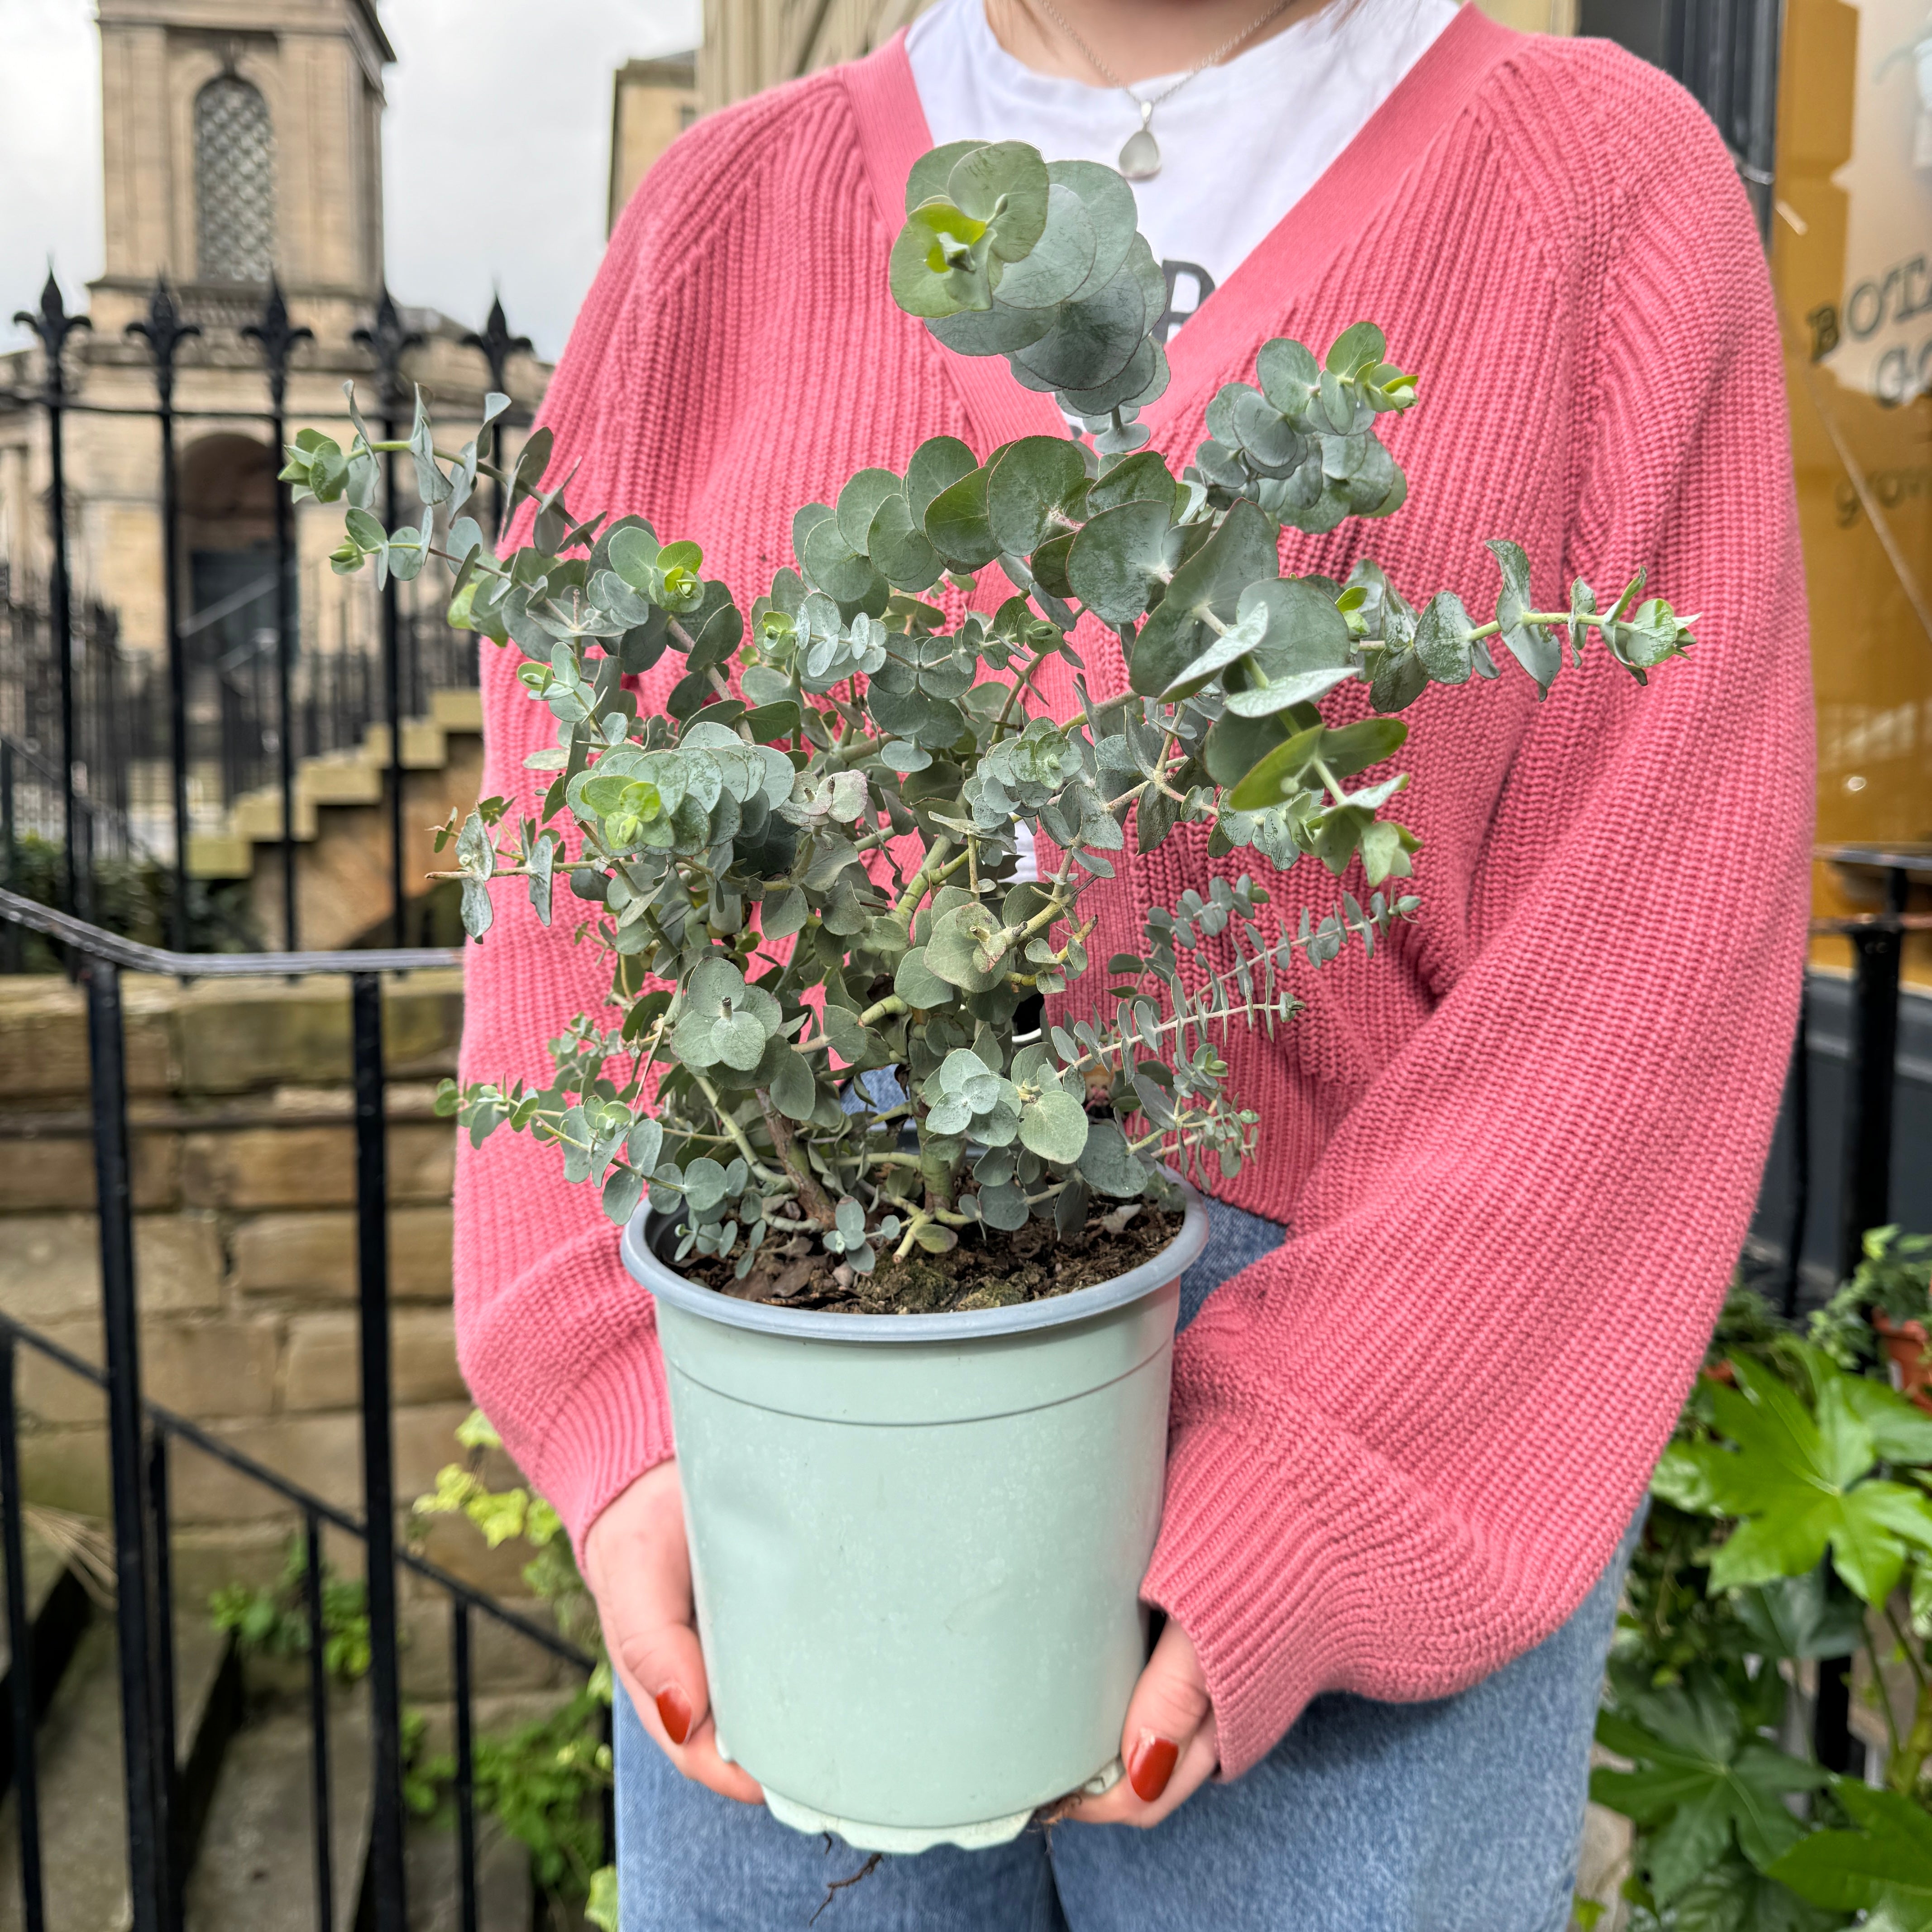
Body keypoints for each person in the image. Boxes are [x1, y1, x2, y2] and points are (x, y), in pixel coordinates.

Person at [450, 0, 1813, 1920]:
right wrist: (620, 1390)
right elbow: (567, 841)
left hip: (1398, 1384)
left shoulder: (1596, 191)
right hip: (777, 1398)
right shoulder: (720, 219)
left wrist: (1309, 1486)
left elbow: (1644, 951)